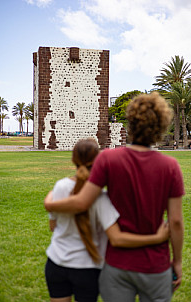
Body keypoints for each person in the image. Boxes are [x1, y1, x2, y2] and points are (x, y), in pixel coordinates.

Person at [45, 92, 184, 302]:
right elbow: (175, 221)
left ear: (131, 122)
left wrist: (49, 203)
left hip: (118, 264)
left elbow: (83, 201)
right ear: (161, 126)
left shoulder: (109, 158)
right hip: (155, 264)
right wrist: (178, 261)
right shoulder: (171, 166)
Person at [45, 138, 169, 302]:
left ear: (73, 160)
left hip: (56, 263)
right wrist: (157, 238)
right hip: (87, 268)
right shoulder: (101, 198)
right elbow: (117, 238)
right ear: (98, 161)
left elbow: (53, 226)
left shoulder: (60, 186)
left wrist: (49, 202)